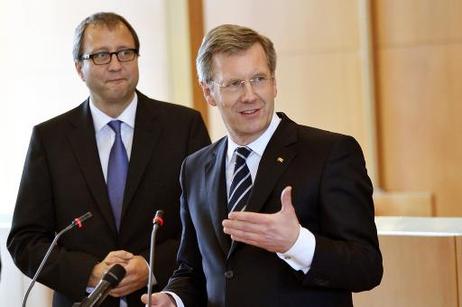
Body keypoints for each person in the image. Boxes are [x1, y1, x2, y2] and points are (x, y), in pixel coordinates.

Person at [142, 24, 383, 307]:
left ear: (274, 82)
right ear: (208, 93)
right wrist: (173, 299)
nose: (250, 95)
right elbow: (192, 269)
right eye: (233, 84)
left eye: (258, 79)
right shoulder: (195, 168)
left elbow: (366, 267)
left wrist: (296, 243)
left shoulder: (330, 153)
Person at [7, 12, 210, 307]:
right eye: (101, 55)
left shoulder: (184, 127)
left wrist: (152, 265)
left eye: (125, 53)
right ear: (79, 67)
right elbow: (25, 240)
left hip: (164, 298)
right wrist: (89, 273)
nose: (116, 64)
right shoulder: (50, 139)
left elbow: (207, 223)